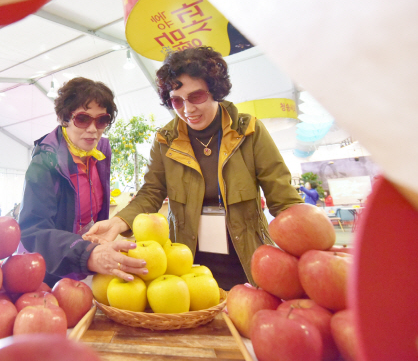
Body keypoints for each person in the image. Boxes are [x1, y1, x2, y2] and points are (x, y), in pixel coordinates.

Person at [84, 47, 304, 290]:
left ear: (216, 90)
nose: (187, 109)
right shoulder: (165, 140)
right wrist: (117, 223)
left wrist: (307, 248)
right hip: (187, 268)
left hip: (249, 262)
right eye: (177, 101)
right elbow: (151, 192)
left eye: (196, 97)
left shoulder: (249, 132)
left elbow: (283, 199)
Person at [18, 77, 147, 287]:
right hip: (46, 271)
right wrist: (87, 253)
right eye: (82, 119)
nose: (93, 129)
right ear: (64, 118)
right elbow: (33, 231)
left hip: (84, 266)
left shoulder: (100, 154)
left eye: (102, 120)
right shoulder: (44, 163)